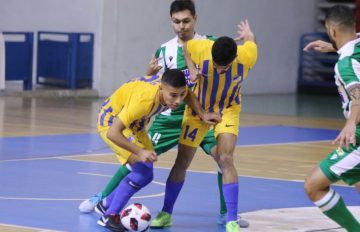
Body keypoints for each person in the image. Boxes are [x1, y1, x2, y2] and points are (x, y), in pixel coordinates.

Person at [79, 0, 249, 228]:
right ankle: (103, 200)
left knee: (224, 158)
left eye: (186, 21)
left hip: (200, 115)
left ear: (195, 19)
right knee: (137, 161)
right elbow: (147, 89)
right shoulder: (164, 50)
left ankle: (226, 213)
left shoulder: (210, 45)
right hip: (168, 119)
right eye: (177, 22)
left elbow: (227, 69)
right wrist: (148, 71)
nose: (182, 27)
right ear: (171, 22)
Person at [151, 20, 257, 232]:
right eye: (215, 65)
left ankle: (231, 219)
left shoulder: (247, 56)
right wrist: (191, 69)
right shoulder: (202, 47)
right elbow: (186, 47)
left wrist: (248, 33)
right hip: (198, 108)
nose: (218, 70)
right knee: (182, 161)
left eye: (223, 67)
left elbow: (251, 42)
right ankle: (166, 213)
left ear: (235, 58)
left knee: (226, 158)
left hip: (228, 109)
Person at [94, 69, 220, 231]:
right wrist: (139, 152)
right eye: (173, 95)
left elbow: (188, 94)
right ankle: (109, 216)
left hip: (136, 125)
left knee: (147, 174)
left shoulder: (175, 90)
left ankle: (106, 204)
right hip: (111, 122)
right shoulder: (144, 100)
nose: (178, 101)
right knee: (142, 169)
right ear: (161, 88)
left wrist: (202, 114)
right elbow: (113, 133)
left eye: (180, 95)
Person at [303, 5, 360, 232]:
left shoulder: (345, 64)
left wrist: (349, 124)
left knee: (313, 186)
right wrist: (335, 48)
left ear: (332, 30)